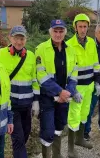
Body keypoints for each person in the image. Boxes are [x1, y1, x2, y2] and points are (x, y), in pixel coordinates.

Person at [35, 19, 77, 158]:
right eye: (55, 31)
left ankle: (57, 155)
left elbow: (73, 74)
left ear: (65, 32)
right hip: (48, 97)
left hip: (64, 98)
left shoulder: (70, 50)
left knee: (59, 126)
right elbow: (40, 75)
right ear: (50, 32)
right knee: (47, 130)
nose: (58, 34)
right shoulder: (41, 48)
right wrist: (60, 92)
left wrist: (68, 92)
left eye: (61, 31)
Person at [0, 25, 39, 158]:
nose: (19, 42)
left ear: (26, 39)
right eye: (16, 38)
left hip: (27, 106)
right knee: (18, 139)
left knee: (25, 135)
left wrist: (36, 101)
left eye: (22, 38)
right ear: (10, 38)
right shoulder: (0, 54)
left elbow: (34, 80)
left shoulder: (31, 56)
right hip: (11, 107)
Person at [66, 13, 100, 157]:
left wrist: (97, 82)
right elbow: (67, 71)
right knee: (73, 116)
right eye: (80, 26)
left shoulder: (92, 42)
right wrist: (72, 90)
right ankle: (69, 149)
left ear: (88, 27)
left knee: (85, 113)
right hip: (77, 87)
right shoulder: (69, 45)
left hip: (89, 85)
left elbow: (96, 64)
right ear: (75, 27)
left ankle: (79, 139)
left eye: (85, 26)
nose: (82, 29)